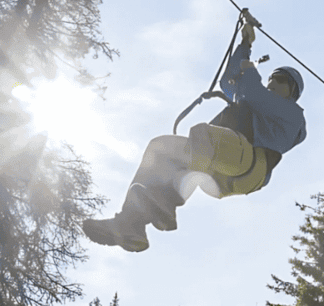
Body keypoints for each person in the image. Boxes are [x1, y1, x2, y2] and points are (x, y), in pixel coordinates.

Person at [82, 16, 306, 252]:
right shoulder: (259, 103)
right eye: (271, 77)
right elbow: (229, 82)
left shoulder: (293, 116)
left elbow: (251, 91)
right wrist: (245, 44)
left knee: (203, 135)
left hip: (250, 164)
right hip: (223, 168)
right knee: (158, 149)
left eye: (279, 80)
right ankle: (129, 224)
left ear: (292, 91)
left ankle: (167, 202)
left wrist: (250, 71)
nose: (272, 82)